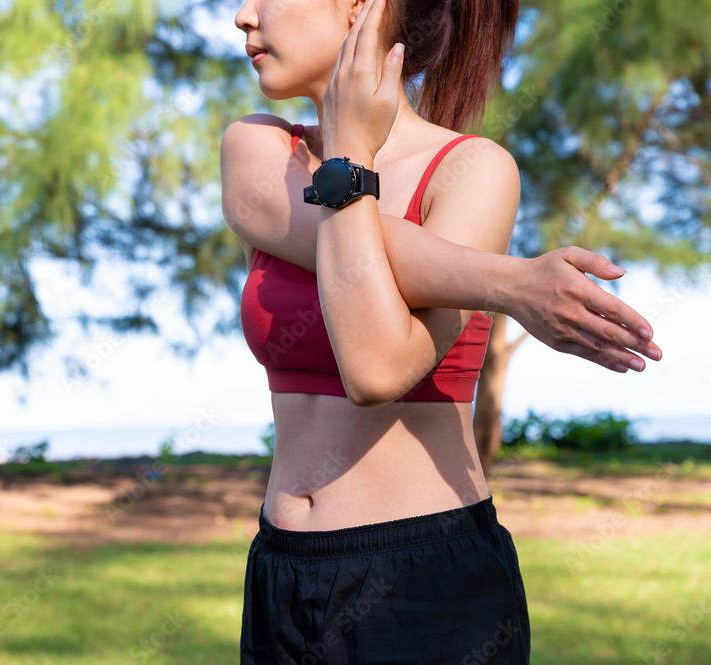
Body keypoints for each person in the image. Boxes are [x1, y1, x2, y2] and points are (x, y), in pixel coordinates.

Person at [220, 0, 664, 662]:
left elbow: (375, 367)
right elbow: (362, 248)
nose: (242, 16)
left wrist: (345, 156)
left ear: (360, 8)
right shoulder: (259, 148)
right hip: (281, 573)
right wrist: (507, 282)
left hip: (423, 581)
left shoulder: (472, 170)